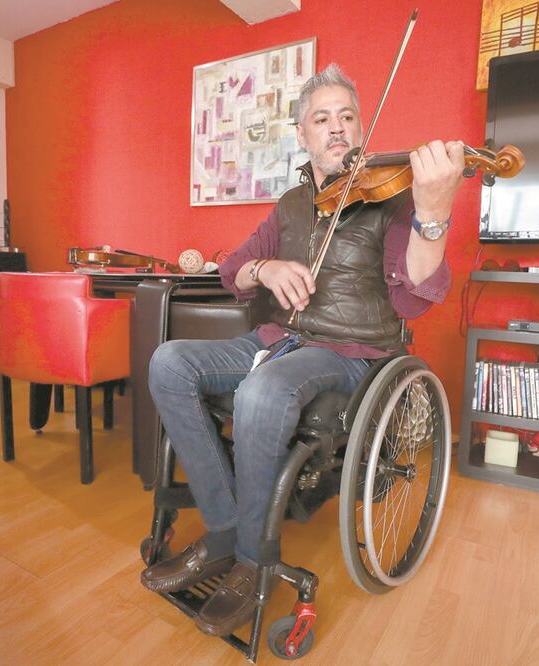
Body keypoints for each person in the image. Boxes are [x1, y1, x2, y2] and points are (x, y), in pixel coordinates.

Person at [141, 63, 464, 636]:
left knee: (264, 391)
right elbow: (232, 270)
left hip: (349, 353)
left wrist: (433, 215)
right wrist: (266, 267)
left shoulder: (390, 201)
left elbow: (417, 297)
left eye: (347, 116)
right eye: (322, 118)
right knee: (169, 362)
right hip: (277, 340)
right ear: (303, 135)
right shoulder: (290, 204)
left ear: (360, 128)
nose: (337, 128)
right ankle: (223, 535)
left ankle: (252, 562)